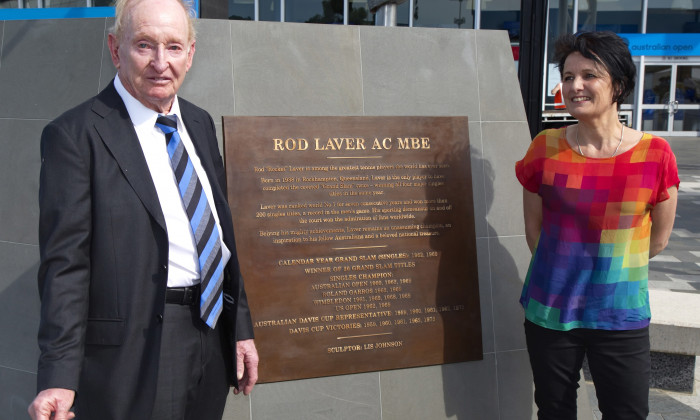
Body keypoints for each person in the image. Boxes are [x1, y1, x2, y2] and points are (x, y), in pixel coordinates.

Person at [28, 0, 258, 418]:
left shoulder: (200, 124)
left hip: (211, 337)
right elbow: (65, 268)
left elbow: (220, 238)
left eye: (173, 47)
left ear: (190, 54)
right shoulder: (75, 136)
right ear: (116, 49)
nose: (160, 63)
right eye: (144, 45)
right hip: (139, 349)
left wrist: (239, 330)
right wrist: (58, 375)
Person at [515, 31, 679, 419]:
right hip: (551, 310)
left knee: (627, 412)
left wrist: (610, 264)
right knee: (554, 410)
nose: (575, 86)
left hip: (619, 312)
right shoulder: (545, 147)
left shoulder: (655, 154)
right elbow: (533, 232)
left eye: (589, 75)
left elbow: (657, 239)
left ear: (618, 84)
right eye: (568, 76)